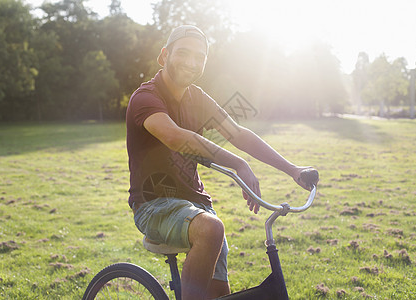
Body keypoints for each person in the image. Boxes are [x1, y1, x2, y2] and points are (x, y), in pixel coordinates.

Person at [126, 25, 318, 300]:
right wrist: (238, 163)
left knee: (219, 293)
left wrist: (293, 170)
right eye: (183, 53)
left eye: (199, 57)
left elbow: (238, 133)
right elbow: (176, 137)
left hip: (198, 205)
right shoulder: (146, 97)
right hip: (153, 205)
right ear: (163, 56)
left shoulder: (198, 98)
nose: (192, 62)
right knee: (212, 228)